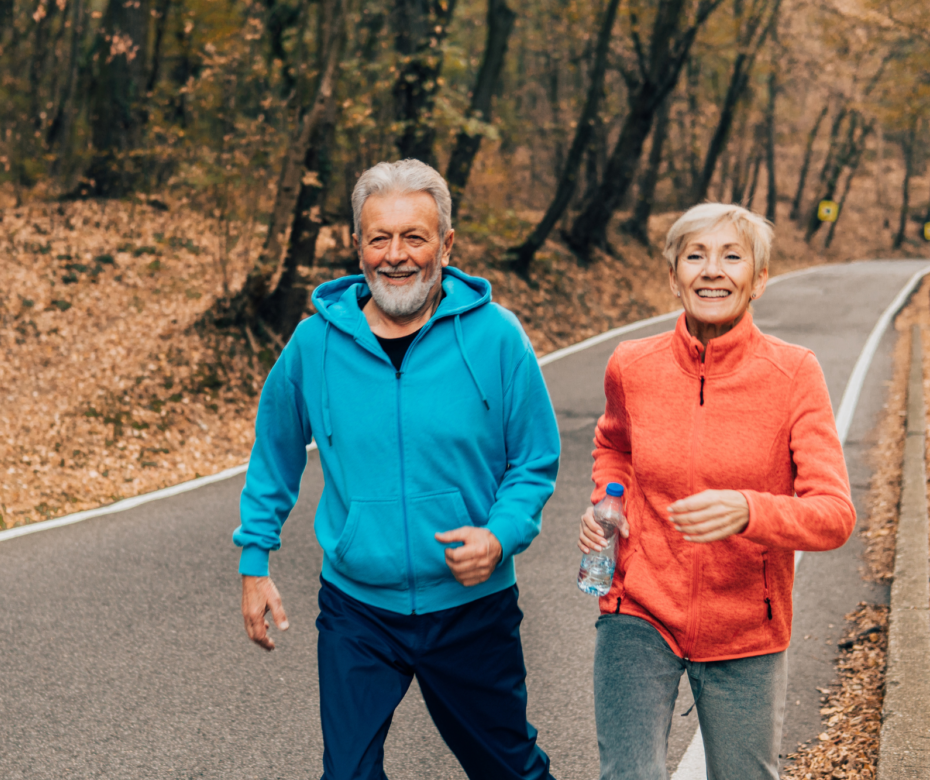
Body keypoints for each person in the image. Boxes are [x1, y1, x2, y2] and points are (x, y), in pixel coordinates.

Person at [233, 159, 562, 780]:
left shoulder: (495, 337)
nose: (396, 255)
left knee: (509, 770)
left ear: (446, 244)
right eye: (379, 237)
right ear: (357, 245)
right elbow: (273, 452)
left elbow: (534, 459)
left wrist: (501, 534)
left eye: (414, 236)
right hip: (359, 609)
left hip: (471, 606)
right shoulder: (314, 344)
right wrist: (255, 559)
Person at [578, 203, 856, 780]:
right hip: (640, 606)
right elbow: (615, 447)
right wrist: (610, 499)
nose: (712, 270)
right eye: (696, 255)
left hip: (746, 625)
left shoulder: (794, 373)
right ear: (674, 274)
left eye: (733, 257)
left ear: (758, 279)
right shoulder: (632, 365)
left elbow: (834, 515)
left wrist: (748, 509)